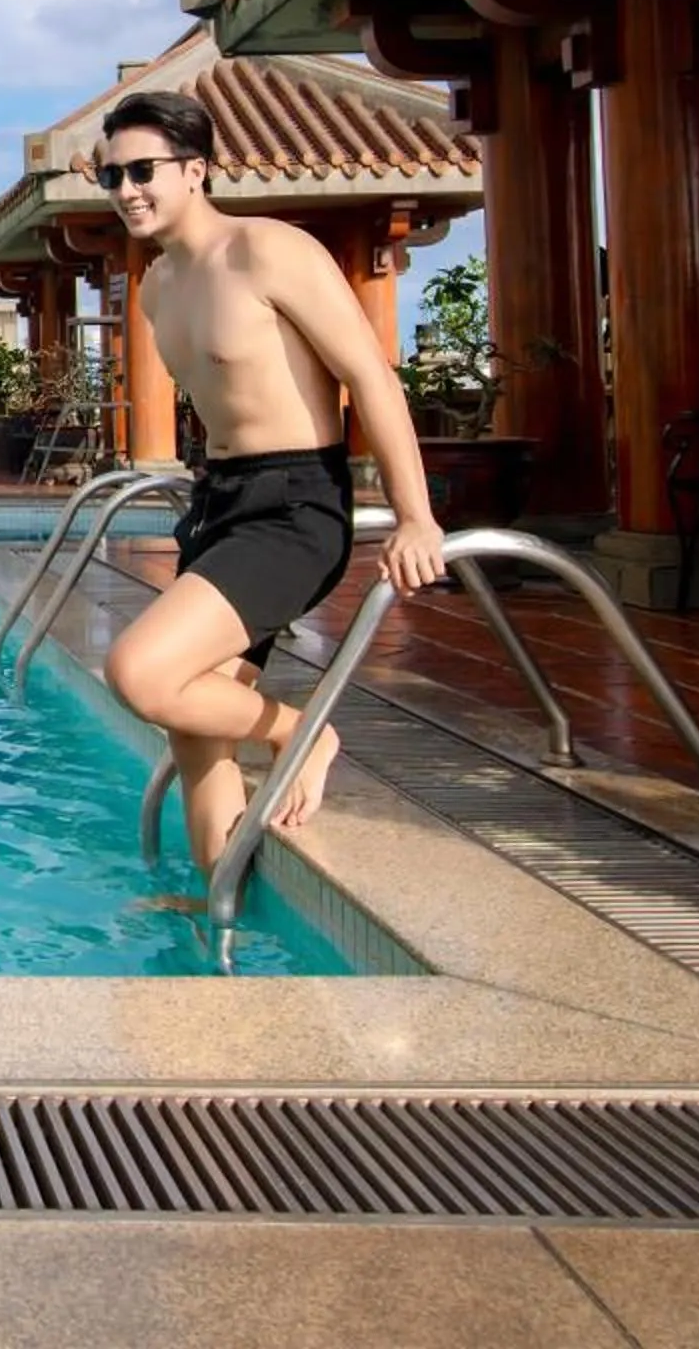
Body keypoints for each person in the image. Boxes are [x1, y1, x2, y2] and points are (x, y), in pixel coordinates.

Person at [90, 90, 447, 877]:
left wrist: (415, 515)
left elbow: (370, 377)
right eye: (111, 176)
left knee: (139, 672)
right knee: (196, 730)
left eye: (143, 171)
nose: (126, 191)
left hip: (293, 508)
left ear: (196, 170)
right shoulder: (158, 286)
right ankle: (216, 912)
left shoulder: (270, 251)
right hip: (219, 504)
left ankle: (304, 732)